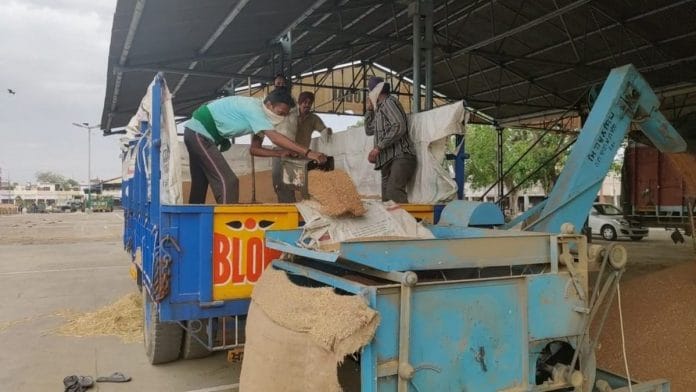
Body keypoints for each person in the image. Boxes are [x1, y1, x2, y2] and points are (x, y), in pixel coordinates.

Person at [184, 88, 327, 204]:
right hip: (199, 133)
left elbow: (254, 149)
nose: (282, 117)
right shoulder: (255, 109)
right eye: (280, 113)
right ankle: (228, 227)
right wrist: (308, 153)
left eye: (285, 115)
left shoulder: (262, 120)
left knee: (200, 183)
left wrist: (280, 153)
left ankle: (190, 225)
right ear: (269, 105)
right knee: (228, 182)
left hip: (196, 132)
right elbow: (275, 137)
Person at [364, 76, 417, 203]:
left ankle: (406, 222)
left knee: (393, 191)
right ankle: (396, 222)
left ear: (375, 92)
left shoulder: (389, 102)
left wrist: (378, 148)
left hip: (400, 156)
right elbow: (369, 130)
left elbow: (399, 125)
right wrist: (369, 111)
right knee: (386, 199)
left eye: (370, 92)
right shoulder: (379, 110)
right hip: (386, 160)